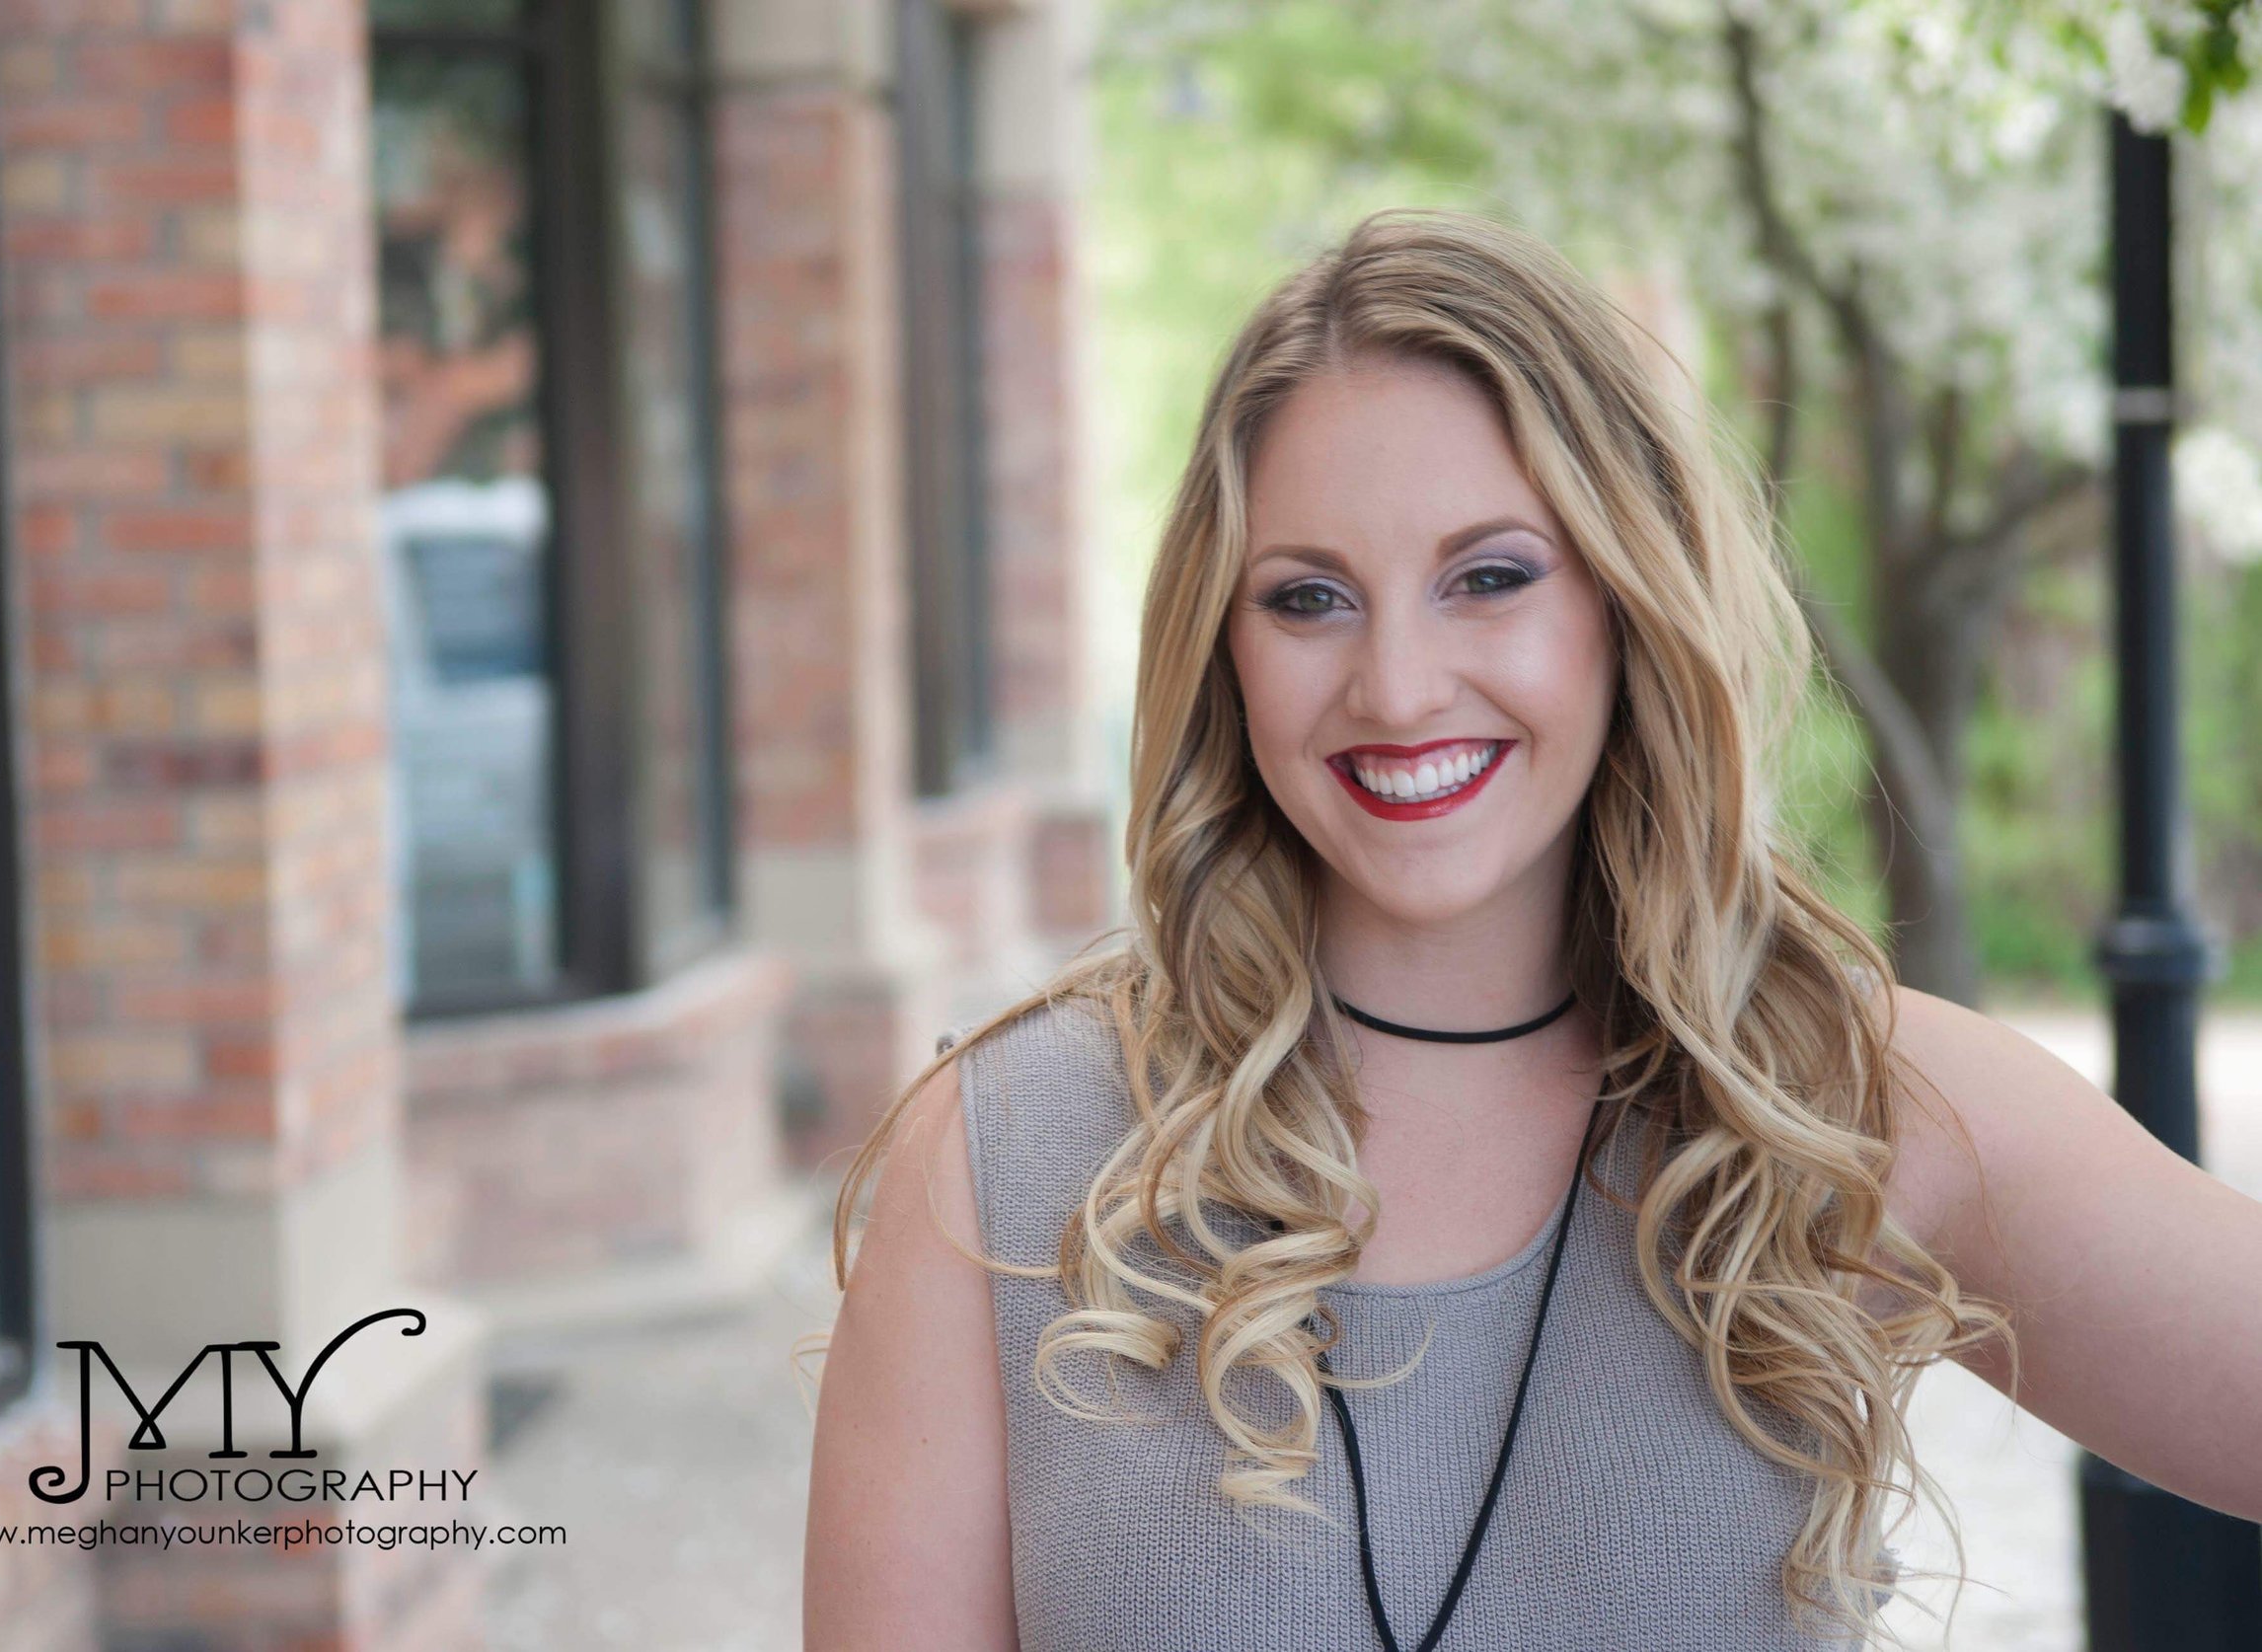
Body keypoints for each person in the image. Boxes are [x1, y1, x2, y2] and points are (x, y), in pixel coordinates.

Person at [801, 208, 2262, 1651]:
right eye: (1308, 599)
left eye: (1489, 577)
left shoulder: (1853, 1107)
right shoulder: (1002, 1161)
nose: (1397, 685)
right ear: (1223, 647)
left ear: (1628, 599)